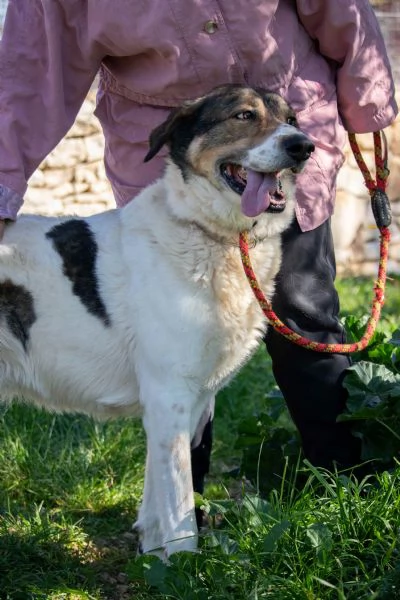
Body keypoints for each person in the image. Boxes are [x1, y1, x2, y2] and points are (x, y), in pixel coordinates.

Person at [0, 1, 397, 497]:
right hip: (167, 165)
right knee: (178, 346)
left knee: (303, 313)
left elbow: (341, 10)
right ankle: (183, 513)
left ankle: (346, 490)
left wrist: (368, 102)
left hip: (289, 132)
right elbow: (33, 71)